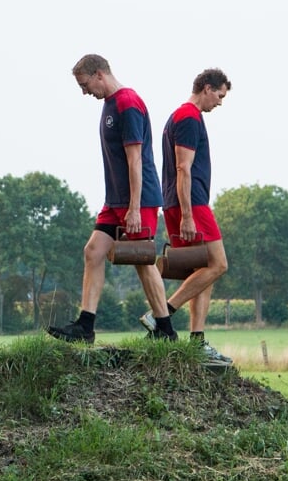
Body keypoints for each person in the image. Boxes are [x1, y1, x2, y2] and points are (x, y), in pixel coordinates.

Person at [49, 54, 174, 344]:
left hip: (137, 201)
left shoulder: (128, 104)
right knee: (93, 251)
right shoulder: (109, 104)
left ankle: (166, 331)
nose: (84, 92)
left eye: (85, 85)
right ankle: (85, 326)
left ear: (99, 74)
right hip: (115, 200)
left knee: (143, 261)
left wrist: (133, 208)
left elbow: (135, 161)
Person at [148, 67, 232, 365]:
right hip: (191, 204)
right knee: (219, 264)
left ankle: (197, 340)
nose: (219, 103)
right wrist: (186, 216)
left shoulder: (180, 117)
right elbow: (183, 168)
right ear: (207, 88)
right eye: (219, 96)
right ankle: (162, 314)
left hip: (179, 203)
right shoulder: (188, 116)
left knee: (202, 271)